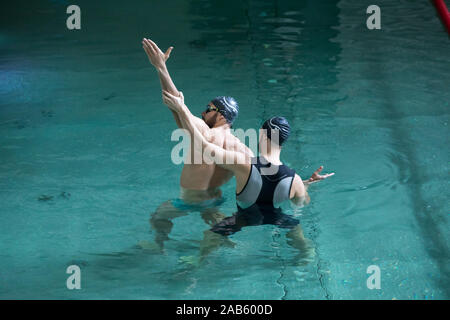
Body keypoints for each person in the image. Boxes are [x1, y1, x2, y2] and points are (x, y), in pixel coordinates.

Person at [161, 90, 335, 265]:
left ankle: (198, 261)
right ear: (283, 142)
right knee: (301, 240)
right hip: (277, 217)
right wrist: (307, 184)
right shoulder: (294, 179)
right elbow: (302, 203)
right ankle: (307, 256)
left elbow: (204, 146)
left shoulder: (244, 164)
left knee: (211, 235)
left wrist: (181, 109)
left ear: (262, 137)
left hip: (245, 217)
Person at [140, 38, 253, 252]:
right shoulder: (242, 149)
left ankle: (158, 246)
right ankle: (225, 236)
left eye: (208, 108)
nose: (203, 112)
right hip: (215, 200)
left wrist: (161, 67)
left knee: (158, 218)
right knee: (212, 219)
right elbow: (263, 176)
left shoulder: (202, 130)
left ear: (221, 114)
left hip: (189, 200)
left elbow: (175, 104)